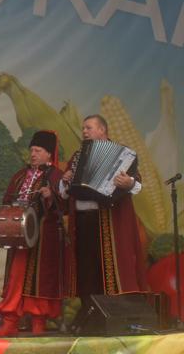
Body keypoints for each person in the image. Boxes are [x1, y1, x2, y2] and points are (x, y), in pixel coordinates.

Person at [61, 115, 146, 315]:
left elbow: (137, 183)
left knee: (110, 267)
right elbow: (65, 192)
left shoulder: (123, 154)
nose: (84, 132)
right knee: (85, 268)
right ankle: (88, 312)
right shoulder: (77, 156)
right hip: (82, 221)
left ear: (102, 130)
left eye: (88, 128)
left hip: (108, 220)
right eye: (83, 128)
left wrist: (129, 183)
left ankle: (114, 314)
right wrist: (65, 180)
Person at [0, 130, 65, 336]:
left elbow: (65, 206)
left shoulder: (56, 176)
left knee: (41, 279)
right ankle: (10, 321)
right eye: (32, 150)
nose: (33, 154)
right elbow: (7, 200)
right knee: (16, 276)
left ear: (49, 154)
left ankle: (38, 322)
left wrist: (50, 195)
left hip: (44, 236)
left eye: (38, 150)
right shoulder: (19, 176)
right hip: (19, 235)